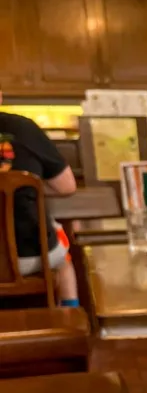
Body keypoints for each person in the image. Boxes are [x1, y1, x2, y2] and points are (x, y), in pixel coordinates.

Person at [0, 89, 80, 305]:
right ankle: (69, 318)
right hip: (28, 257)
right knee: (64, 260)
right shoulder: (24, 129)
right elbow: (66, 186)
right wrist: (29, 187)